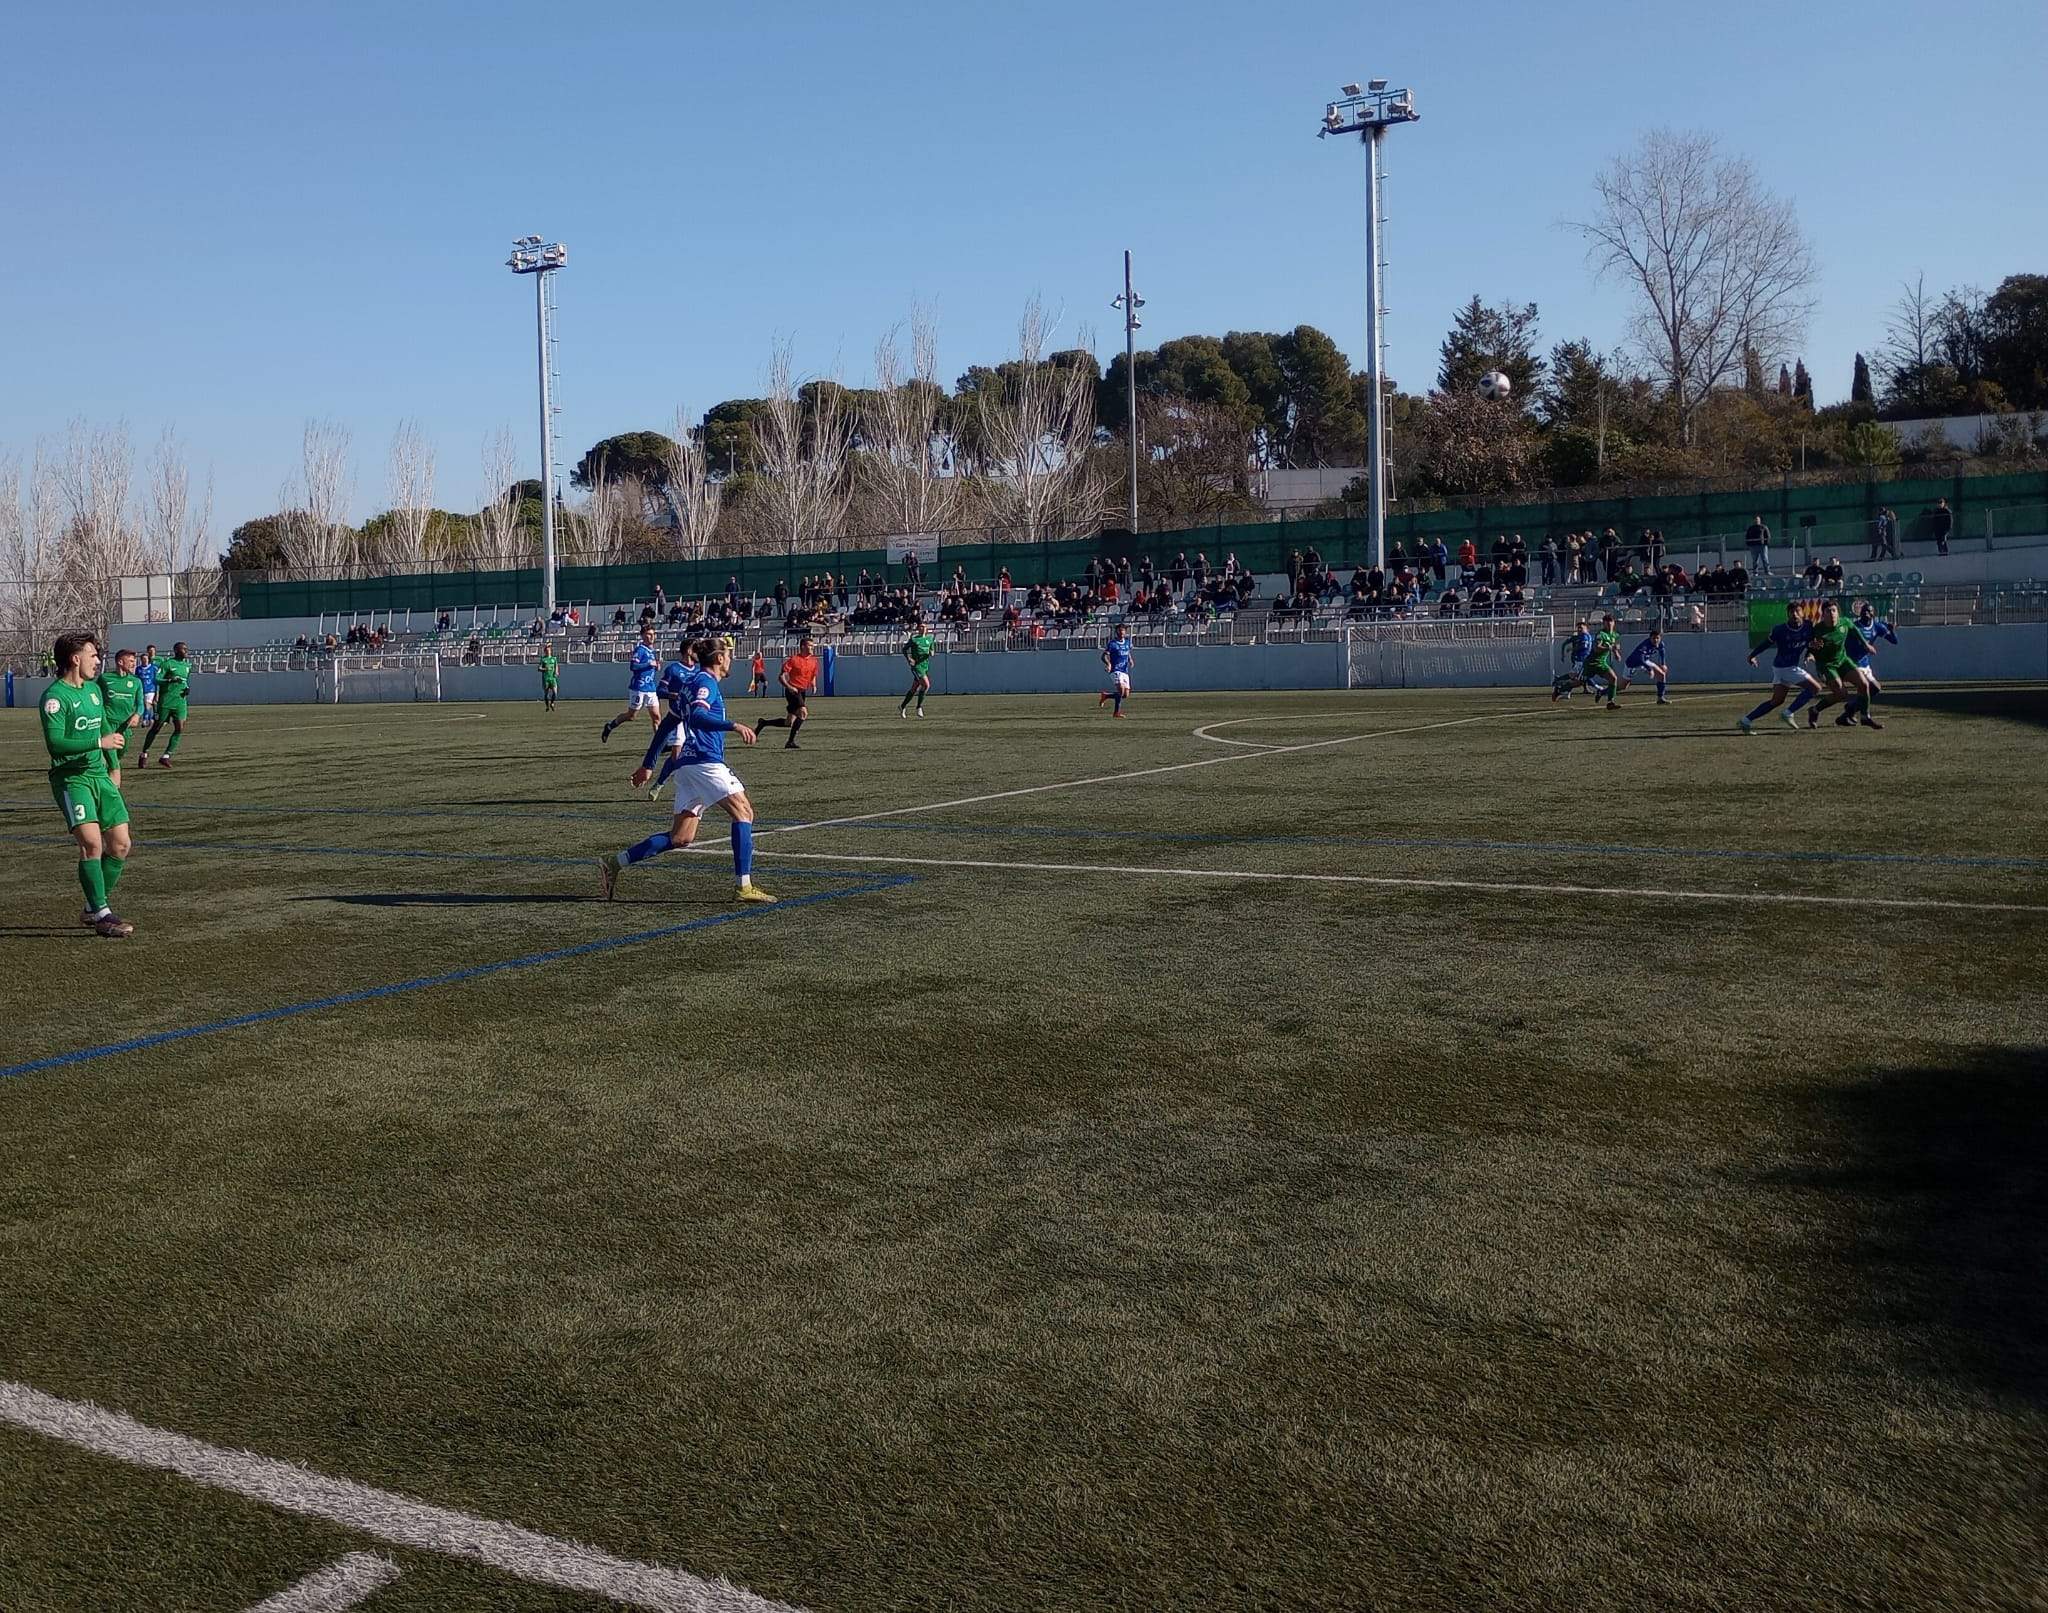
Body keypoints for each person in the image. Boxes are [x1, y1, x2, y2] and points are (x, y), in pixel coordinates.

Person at [604, 639, 771, 906]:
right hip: (704, 763)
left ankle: (615, 862)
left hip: (687, 765)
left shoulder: (692, 685)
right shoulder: (705, 683)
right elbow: (696, 717)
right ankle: (744, 886)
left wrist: (648, 764)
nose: (731, 660)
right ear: (718, 659)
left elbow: (667, 724)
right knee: (744, 812)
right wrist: (734, 725)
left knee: (680, 837)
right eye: (728, 655)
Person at [42, 632, 136, 937]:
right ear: (75, 658)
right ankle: (102, 913)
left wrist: (115, 766)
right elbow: (56, 743)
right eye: (93, 655)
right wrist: (98, 742)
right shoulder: (55, 698)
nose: (97, 661)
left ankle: (92, 906)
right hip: (72, 778)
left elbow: (105, 727)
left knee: (120, 845)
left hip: (100, 777)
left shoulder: (94, 691)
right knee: (92, 844)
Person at [1737, 602, 1822, 733]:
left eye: (1797, 611)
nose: (1794, 614)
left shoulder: (1808, 626)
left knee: (1776, 701)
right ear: (1787, 614)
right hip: (1785, 668)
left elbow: (1810, 644)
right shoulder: (1780, 630)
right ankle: (1788, 713)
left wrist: (1809, 654)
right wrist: (1752, 655)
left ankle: (1745, 721)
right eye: (1791, 612)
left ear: (1803, 613)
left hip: (1783, 668)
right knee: (1815, 688)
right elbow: (1766, 643)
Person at [599, 624, 663, 743]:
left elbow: (650, 666)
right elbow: (633, 666)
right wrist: (650, 664)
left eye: (653, 634)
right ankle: (609, 726)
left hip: (650, 688)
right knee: (631, 716)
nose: (652, 637)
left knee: (657, 717)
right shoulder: (640, 650)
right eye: (649, 634)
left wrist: (655, 667)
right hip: (639, 687)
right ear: (643, 636)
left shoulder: (651, 651)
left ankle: (659, 744)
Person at [134, 641, 192, 767]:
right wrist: (169, 680)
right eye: (184, 649)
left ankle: (166, 756)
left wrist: (187, 688)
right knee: (157, 728)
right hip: (166, 702)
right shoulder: (168, 664)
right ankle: (144, 753)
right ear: (176, 651)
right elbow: (157, 679)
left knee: (180, 728)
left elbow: (185, 681)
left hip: (180, 702)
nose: (186, 651)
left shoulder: (188, 665)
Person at [755, 634, 819, 748]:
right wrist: (789, 687)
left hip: (802, 691)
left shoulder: (814, 661)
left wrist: (813, 684)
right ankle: (790, 742)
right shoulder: (794, 660)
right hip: (793, 691)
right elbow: (781, 676)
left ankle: (763, 723)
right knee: (803, 713)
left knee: (788, 722)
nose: (812, 648)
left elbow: (813, 674)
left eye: (813, 646)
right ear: (803, 647)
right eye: (810, 646)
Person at [1624, 627, 1674, 705]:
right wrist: (1649, 669)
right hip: (1633, 664)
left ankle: (1660, 698)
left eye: (1657, 638)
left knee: (1662, 675)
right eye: (1654, 638)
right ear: (1650, 638)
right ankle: (1603, 692)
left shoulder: (1660, 644)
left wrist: (1663, 664)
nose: (1656, 640)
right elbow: (1640, 659)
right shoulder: (1645, 645)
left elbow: (1662, 651)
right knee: (1623, 686)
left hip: (1645, 661)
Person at [899, 620, 935, 718]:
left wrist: (932, 652)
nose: (922, 628)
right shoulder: (914, 639)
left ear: (927, 629)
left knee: (914, 688)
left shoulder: (930, 639)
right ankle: (919, 707)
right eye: (921, 627)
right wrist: (909, 658)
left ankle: (902, 706)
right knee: (926, 685)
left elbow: (932, 650)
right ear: (918, 629)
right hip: (916, 666)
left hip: (925, 666)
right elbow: (904, 649)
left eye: (924, 627)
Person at [1551, 619, 1593, 702]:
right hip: (1577, 659)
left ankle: (1563, 687)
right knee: (1578, 676)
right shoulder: (1576, 637)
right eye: (1578, 628)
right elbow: (1565, 644)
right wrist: (1564, 654)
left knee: (1578, 677)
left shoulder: (1589, 637)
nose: (1579, 630)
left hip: (1584, 659)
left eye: (1581, 628)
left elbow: (1590, 647)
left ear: (1587, 629)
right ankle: (1560, 683)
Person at [1099, 624, 1134, 718]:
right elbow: (1103, 656)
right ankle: (1116, 713)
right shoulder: (1112, 643)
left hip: (1124, 671)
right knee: (1121, 691)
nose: (1122, 632)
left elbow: (1128, 652)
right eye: (1120, 630)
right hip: (1115, 670)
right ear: (1117, 632)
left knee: (1125, 695)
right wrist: (1109, 664)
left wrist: (1130, 659)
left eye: (1123, 630)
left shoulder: (1127, 642)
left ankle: (1106, 696)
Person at [538, 642, 560, 711]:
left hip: (552, 678)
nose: (548, 652)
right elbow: (539, 668)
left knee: (555, 692)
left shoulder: (554, 659)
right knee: (546, 693)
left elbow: (556, 666)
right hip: (546, 678)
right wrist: (545, 669)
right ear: (545, 652)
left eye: (549, 650)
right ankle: (547, 706)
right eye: (546, 651)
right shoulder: (543, 659)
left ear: (551, 651)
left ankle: (552, 703)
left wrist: (556, 671)